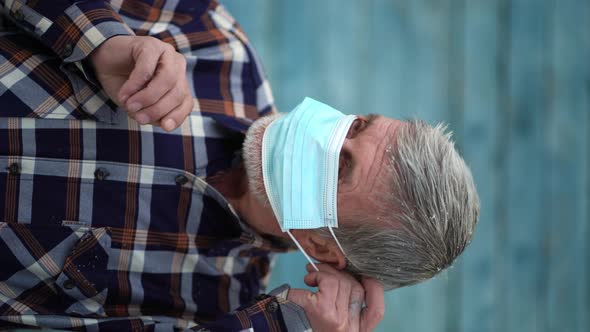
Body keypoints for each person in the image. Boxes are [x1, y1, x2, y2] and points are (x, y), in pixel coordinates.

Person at [0, 0, 479, 331]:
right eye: (357, 125)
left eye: (341, 168)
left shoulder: (215, 312)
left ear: (321, 248)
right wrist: (101, 40)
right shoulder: (215, 45)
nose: (324, 133)